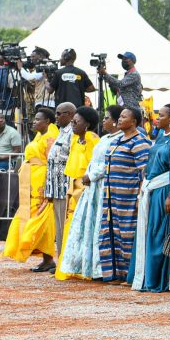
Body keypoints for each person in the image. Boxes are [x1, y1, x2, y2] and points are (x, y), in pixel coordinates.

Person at [59, 106, 122, 280]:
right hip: (89, 187)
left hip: (101, 187)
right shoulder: (105, 138)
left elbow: (107, 163)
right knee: (86, 227)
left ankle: (100, 268)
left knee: (98, 229)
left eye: (107, 118)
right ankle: (87, 266)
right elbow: (93, 161)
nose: (104, 121)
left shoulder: (101, 139)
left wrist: (91, 175)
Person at [133, 104, 170, 292]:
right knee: (151, 230)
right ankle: (147, 276)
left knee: (159, 232)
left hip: (165, 189)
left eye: (161, 115)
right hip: (153, 186)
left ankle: (159, 278)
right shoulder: (162, 135)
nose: (157, 118)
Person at [2, 109, 59, 269]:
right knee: (28, 215)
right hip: (31, 182)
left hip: (41, 183)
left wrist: (49, 185)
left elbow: (51, 164)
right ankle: (46, 259)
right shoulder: (39, 136)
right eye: (34, 119)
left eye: (38, 119)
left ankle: (48, 259)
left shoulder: (50, 138)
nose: (34, 122)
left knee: (41, 218)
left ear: (47, 121)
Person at [101, 107, 151, 283]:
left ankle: (131, 275)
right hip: (111, 197)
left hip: (129, 197)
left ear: (134, 121)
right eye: (120, 116)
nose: (119, 119)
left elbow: (144, 172)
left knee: (128, 234)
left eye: (124, 117)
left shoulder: (140, 142)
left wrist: (140, 197)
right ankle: (116, 273)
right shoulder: (116, 141)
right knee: (112, 233)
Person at [54, 107, 100, 281]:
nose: (73, 124)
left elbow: (93, 167)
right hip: (73, 188)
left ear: (87, 124)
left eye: (76, 121)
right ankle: (68, 266)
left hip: (86, 189)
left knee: (84, 228)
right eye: (72, 121)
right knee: (71, 228)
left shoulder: (92, 140)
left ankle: (84, 268)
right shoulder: (75, 140)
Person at [45, 102, 77, 264]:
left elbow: (72, 158)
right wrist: (49, 190)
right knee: (59, 229)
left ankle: (66, 262)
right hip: (56, 188)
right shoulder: (61, 132)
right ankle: (61, 261)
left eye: (59, 113)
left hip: (66, 187)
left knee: (65, 227)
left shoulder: (73, 132)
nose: (56, 117)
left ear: (70, 114)